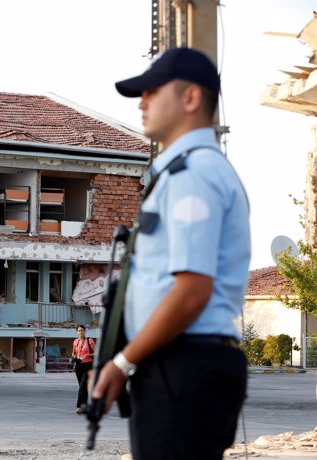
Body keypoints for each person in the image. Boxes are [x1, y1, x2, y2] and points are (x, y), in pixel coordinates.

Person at [91, 47, 250, 460]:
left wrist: (123, 362)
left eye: (152, 91)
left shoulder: (192, 175)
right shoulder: (188, 170)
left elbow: (192, 290)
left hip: (183, 366)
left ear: (191, 98)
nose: (141, 102)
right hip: (180, 365)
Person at [71, 325, 95, 415]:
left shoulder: (89, 340)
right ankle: (87, 407)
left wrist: (87, 355)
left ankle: (80, 407)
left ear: (84, 331)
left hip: (87, 366)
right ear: (76, 332)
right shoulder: (75, 341)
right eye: (79, 330)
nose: (80, 332)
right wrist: (74, 357)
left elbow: (96, 352)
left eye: (82, 330)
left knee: (81, 388)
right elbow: (73, 352)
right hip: (78, 366)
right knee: (83, 388)